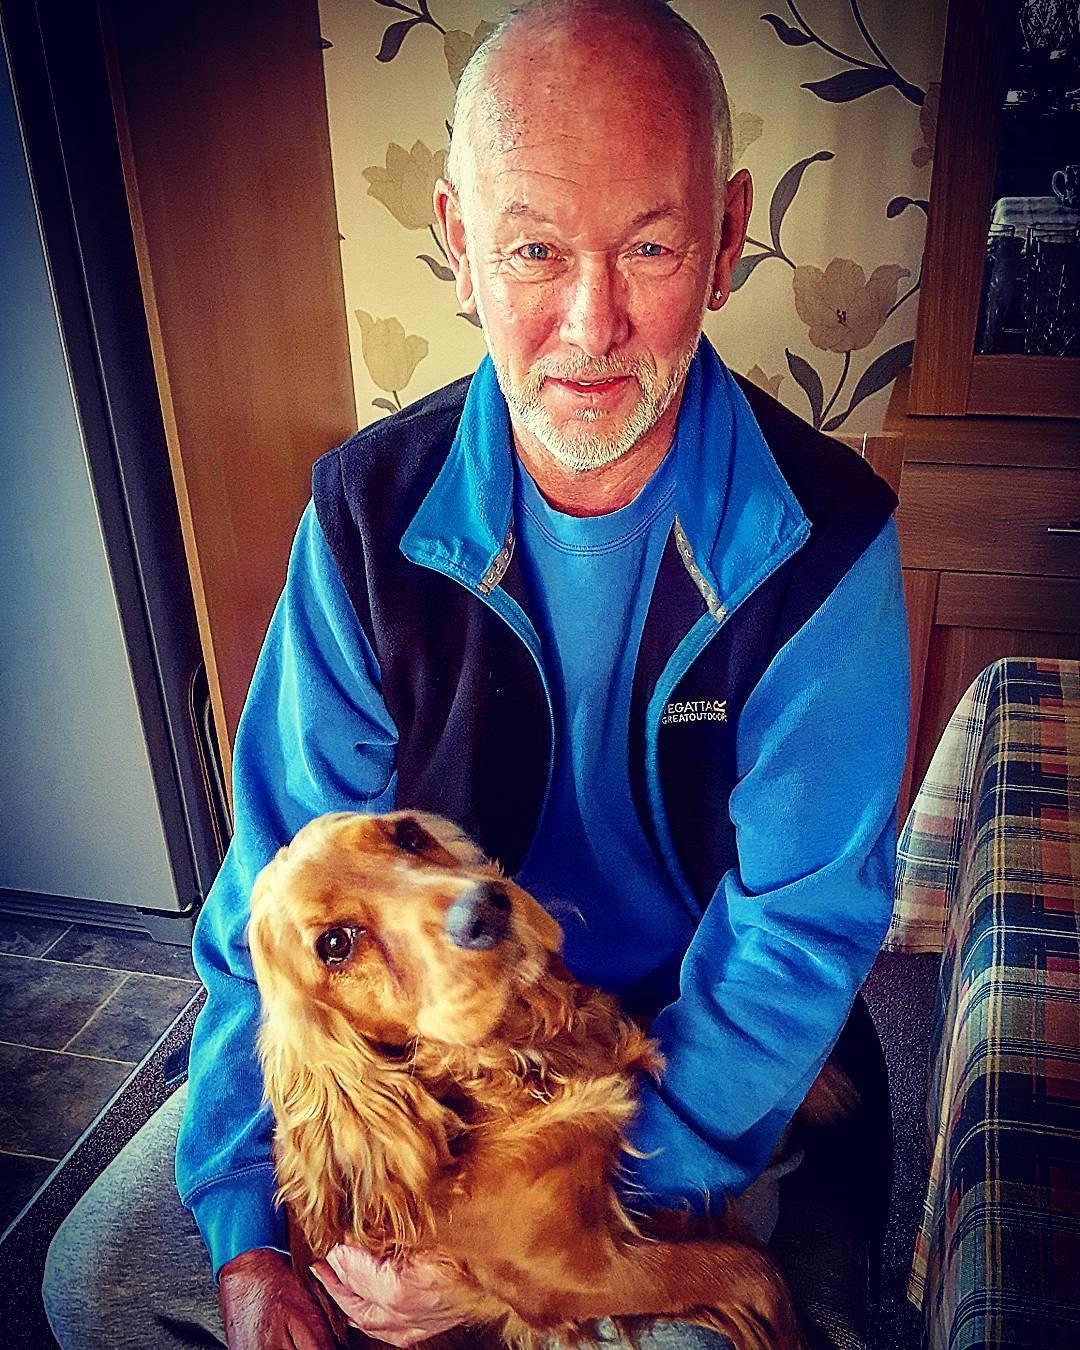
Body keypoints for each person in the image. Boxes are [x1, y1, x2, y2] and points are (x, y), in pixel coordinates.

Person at [42, 1, 909, 1346]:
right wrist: (244, 1227)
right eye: (535, 250)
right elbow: (269, 889)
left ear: (729, 237)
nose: (592, 321)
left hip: (678, 1065)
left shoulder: (828, 540)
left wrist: (534, 1224)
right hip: (429, 1056)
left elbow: (797, 933)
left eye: (653, 246)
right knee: (100, 1282)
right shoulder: (359, 520)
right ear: (459, 244)